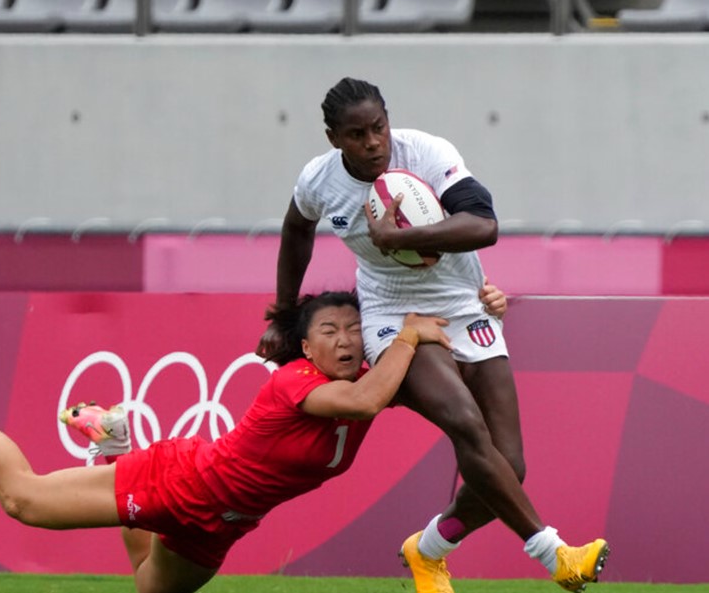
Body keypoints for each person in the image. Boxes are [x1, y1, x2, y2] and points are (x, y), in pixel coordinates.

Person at [0, 287, 479, 593]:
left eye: (352, 329)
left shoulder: (372, 371)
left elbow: (409, 373)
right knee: (24, 501)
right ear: (307, 345)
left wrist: (480, 306)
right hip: (184, 481)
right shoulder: (299, 380)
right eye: (329, 331)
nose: (344, 340)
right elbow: (370, 398)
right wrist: (407, 336)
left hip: (227, 520)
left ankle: (115, 442)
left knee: (150, 588)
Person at [256, 77, 609, 593]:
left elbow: (483, 225)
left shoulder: (427, 153)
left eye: (378, 127)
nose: (373, 142)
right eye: (357, 134)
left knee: (508, 464)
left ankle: (427, 550)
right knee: (465, 422)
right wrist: (284, 316)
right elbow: (296, 230)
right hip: (391, 315)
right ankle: (555, 554)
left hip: (467, 306)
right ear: (334, 138)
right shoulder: (319, 180)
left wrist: (401, 237)